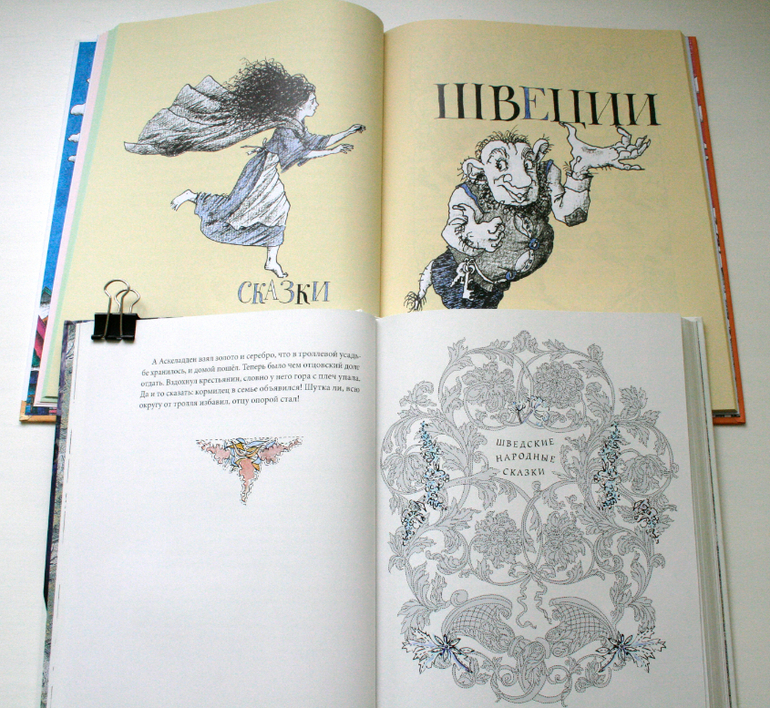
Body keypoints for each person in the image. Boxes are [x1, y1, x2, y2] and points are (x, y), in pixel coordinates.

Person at [126, 60, 365, 278]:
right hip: (259, 172)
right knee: (236, 205)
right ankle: (193, 197)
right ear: (299, 105)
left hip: (267, 172)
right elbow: (300, 153)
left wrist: (348, 132)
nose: (316, 105)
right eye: (312, 101)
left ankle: (271, 261)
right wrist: (335, 151)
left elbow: (315, 142)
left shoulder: (295, 125)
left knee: (278, 208)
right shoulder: (287, 128)